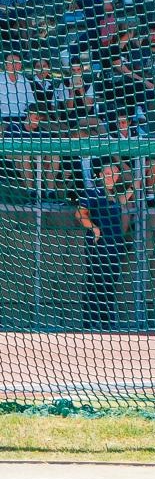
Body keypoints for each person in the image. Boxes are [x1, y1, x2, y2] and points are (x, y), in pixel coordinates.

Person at [75, 161, 136, 330]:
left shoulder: (114, 195)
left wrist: (135, 185)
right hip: (98, 246)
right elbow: (80, 214)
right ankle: (90, 322)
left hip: (113, 246)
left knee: (110, 283)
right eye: (107, 173)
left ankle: (106, 322)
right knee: (95, 282)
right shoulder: (93, 192)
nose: (111, 177)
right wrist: (93, 228)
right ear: (100, 175)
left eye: (114, 174)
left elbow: (123, 200)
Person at [2, 103, 61, 201]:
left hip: (37, 164)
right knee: (24, 155)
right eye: (36, 118)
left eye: (40, 120)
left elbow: (47, 151)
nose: (37, 122)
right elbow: (8, 153)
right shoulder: (15, 127)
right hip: (15, 162)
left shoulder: (42, 132)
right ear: (29, 114)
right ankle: (31, 194)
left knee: (54, 156)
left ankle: (50, 193)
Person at [0, 52, 36, 125]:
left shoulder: (25, 81)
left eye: (16, 63)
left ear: (20, 65)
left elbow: (31, 102)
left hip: (23, 118)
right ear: (5, 65)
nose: (14, 65)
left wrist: (30, 115)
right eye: (10, 63)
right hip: (3, 118)